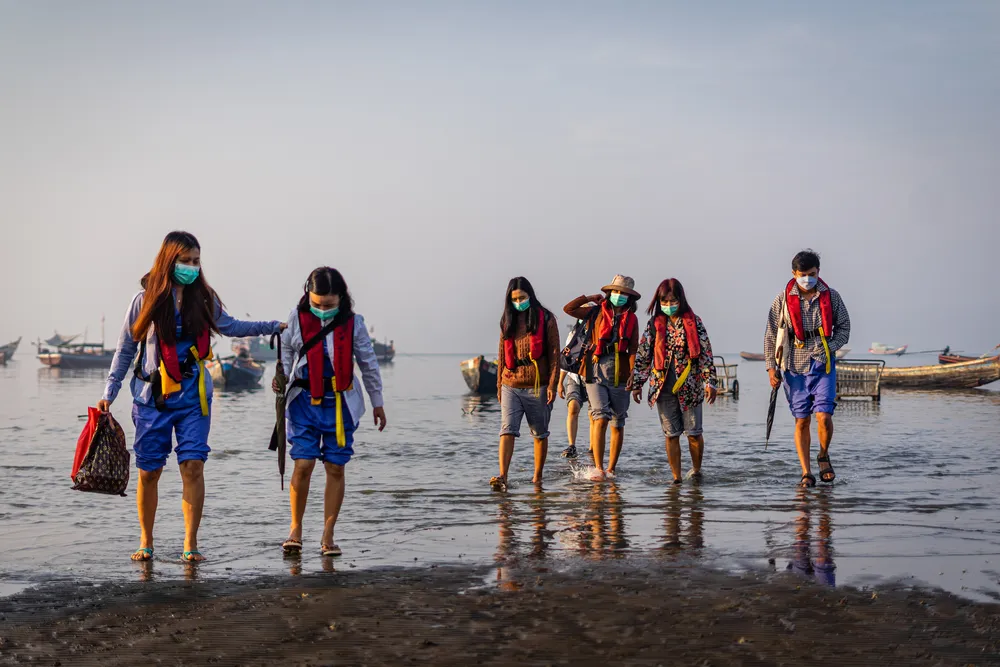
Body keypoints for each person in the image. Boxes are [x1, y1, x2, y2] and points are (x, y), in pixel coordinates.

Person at [98, 231, 284, 562]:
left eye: (196, 261)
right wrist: (109, 391)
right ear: (169, 261)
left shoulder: (205, 298)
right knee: (149, 471)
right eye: (185, 261)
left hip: (194, 398)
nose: (192, 267)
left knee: (193, 465)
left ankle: (190, 544)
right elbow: (126, 347)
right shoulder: (144, 301)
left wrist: (274, 326)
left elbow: (232, 327)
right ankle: (146, 541)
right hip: (150, 397)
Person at [276, 267, 387, 557]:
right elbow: (287, 351)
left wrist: (377, 401)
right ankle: (295, 529)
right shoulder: (295, 319)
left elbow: (367, 362)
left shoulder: (354, 323)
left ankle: (328, 533)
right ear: (307, 297)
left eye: (329, 305)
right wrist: (283, 376)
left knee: (335, 467)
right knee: (303, 464)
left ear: (341, 299)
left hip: (340, 404)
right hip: (303, 401)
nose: (322, 310)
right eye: (316, 304)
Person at [764, 249, 851, 487]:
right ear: (794, 273)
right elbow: (771, 335)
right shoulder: (782, 299)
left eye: (811, 274)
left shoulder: (831, 297)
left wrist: (828, 347)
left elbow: (844, 329)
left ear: (818, 272)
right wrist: (771, 369)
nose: (807, 278)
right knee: (801, 419)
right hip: (793, 365)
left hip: (823, 364)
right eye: (802, 274)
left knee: (824, 415)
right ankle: (806, 472)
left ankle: (823, 455)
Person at [631, 278, 718, 484]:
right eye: (665, 302)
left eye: (673, 301)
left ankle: (696, 471)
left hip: (691, 386)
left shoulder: (694, 322)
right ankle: (676, 478)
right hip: (663, 387)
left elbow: (706, 353)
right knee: (671, 434)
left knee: (694, 433)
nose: (669, 306)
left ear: (681, 300)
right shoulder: (654, 324)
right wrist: (637, 383)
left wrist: (710, 382)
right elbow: (643, 355)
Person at [564, 275, 640, 479]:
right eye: (615, 291)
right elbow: (569, 309)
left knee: (618, 421)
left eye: (623, 293)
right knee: (600, 417)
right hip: (594, 371)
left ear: (629, 297)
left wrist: (634, 373)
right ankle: (598, 467)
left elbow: (633, 348)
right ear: (609, 293)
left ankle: (611, 468)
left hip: (621, 373)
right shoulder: (595, 311)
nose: (619, 296)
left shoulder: (632, 319)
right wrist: (588, 297)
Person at [492, 277, 560, 492]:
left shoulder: (546, 319)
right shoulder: (506, 321)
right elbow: (502, 355)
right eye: (514, 299)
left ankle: (537, 478)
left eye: (522, 298)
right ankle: (503, 476)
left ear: (530, 296)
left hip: (538, 385)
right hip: (510, 383)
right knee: (507, 430)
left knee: (539, 433)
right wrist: (498, 388)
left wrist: (552, 385)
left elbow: (555, 355)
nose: (519, 302)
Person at [559, 319, 590, 459]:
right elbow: (566, 360)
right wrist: (559, 382)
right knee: (573, 407)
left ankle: (593, 448)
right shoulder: (573, 335)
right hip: (574, 377)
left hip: (592, 377)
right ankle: (572, 445)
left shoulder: (597, 333)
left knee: (594, 414)